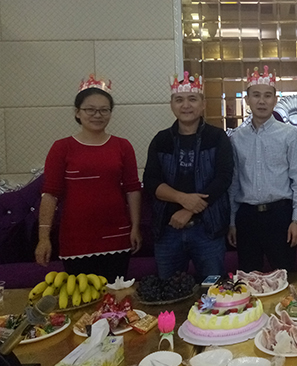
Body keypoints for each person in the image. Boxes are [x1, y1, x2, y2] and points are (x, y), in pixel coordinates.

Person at [34, 75, 142, 282]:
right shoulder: (61, 147)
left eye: (104, 110)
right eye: (90, 110)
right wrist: (43, 238)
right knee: (81, 296)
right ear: (77, 112)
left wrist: (135, 227)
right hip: (76, 238)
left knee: (117, 296)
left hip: (117, 236)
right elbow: (50, 194)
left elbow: (132, 189)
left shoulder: (123, 146)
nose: (97, 115)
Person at [143, 72, 233, 282]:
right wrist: (182, 199)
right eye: (179, 100)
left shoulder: (217, 137)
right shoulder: (161, 140)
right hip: (168, 230)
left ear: (203, 104)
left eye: (192, 99)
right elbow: (151, 181)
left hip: (208, 229)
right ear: (172, 105)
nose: (186, 105)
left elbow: (223, 178)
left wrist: (189, 210)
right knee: (169, 290)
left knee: (213, 289)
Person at [228, 66, 297, 272]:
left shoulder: (289, 134)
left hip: (280, 215)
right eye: (256, 95)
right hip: (247, 216)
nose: (261, 101)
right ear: (247, 100)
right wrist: (232, 221)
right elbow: (234, 182)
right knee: (248, 277)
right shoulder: (237, 138)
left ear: (275, 99)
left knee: (283, 275)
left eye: (267, 96)